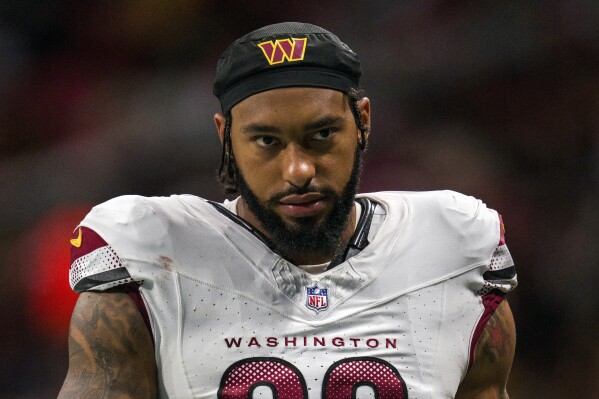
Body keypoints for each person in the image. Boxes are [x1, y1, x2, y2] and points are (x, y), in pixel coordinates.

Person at [59, 22, 517, 398]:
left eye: (321, 135)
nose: (298, 170)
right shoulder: (151, 252)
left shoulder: (452, 250)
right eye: (267, 142)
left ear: (363, 121)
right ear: (226, 138)